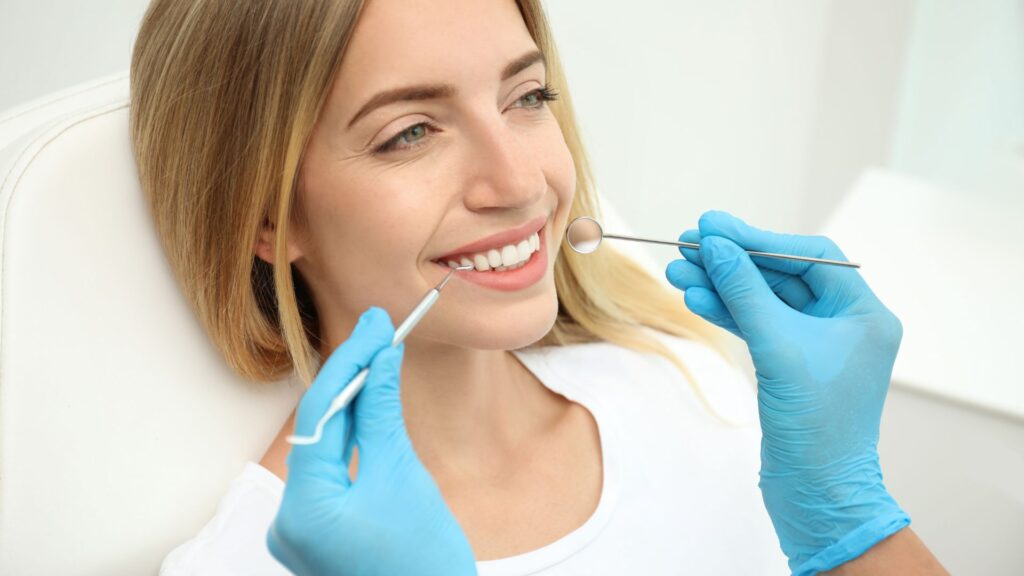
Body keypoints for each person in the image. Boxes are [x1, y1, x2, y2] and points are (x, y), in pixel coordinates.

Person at [129, 0, 948, 574]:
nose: (521, 183)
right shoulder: (249, 561)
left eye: (527, 96)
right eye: (410, 133)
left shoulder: (683, 381)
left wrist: (853, 520)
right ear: (267, 216)